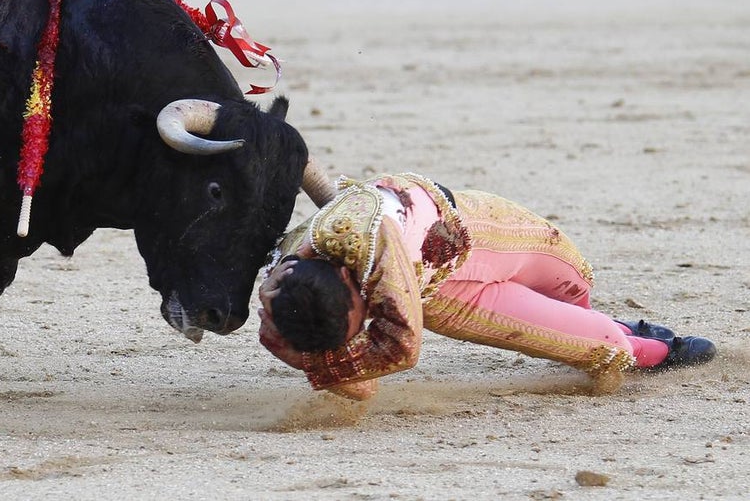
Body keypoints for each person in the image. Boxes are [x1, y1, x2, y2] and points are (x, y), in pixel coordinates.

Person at [258, 172, 717, 401]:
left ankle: (609, 323)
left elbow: (400, 349)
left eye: (363, 315)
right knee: (608, 349)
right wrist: (309, 359)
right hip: (449, 296)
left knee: (576, 282)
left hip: (481, 225)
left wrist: (310, 364)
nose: (368, 324)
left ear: (347, 277)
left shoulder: (376, 253)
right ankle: (655, 350)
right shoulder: (288, 284)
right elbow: (371, 383)